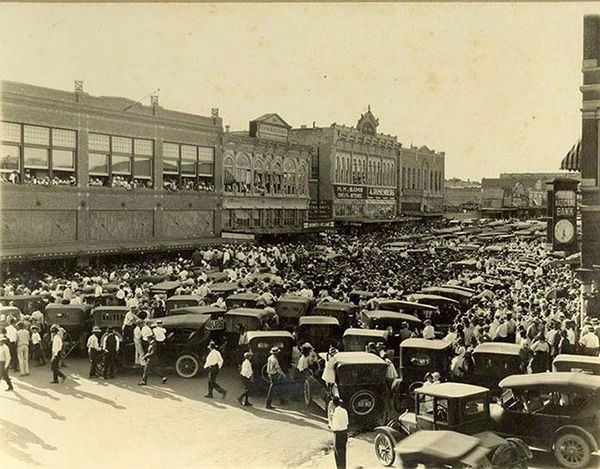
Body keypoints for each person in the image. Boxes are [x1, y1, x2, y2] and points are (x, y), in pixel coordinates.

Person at [328, 396, 349, 469]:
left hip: (337, 434)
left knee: (337, 453)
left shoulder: (335, 413)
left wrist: (330, 423)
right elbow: (347, 423)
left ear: (333, 404)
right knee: (343, 452)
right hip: (345, 433)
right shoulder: (344, 411)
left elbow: (334, 426)